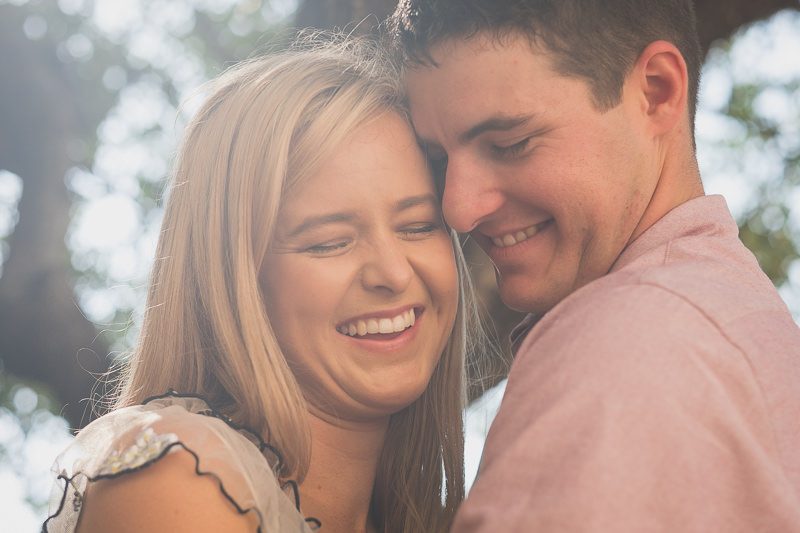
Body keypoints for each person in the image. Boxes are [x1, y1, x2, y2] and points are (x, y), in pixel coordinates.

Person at [44, 35, 481, 533]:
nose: (394, 273)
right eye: (329, 242)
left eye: (419, 225)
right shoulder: (181, 479)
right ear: (235, 282)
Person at [390, 0, 800, 531]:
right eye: (440, 160)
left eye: (510, 144)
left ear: (657, 91)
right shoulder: (733, 323)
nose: (458, 208)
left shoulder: (632, 343)